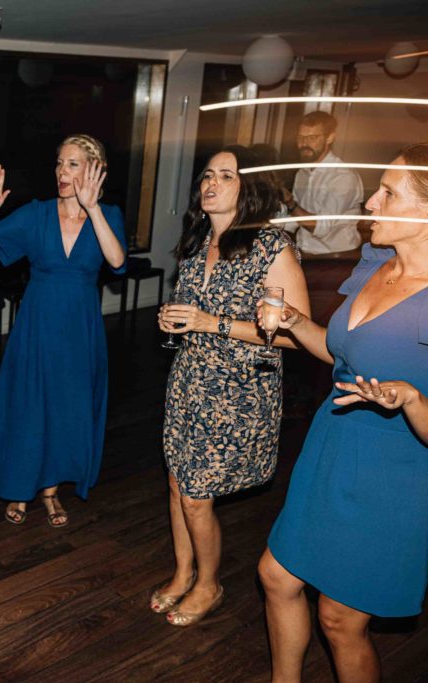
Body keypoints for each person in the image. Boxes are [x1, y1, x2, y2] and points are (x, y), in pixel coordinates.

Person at [259, 142, 428, 683]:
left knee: (339, 619)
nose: (371, 203)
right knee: (276, 576)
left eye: (387, 193)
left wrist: (413, 400)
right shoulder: (375, 261)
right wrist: (289, 319)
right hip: (330, 447)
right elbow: (341, 353)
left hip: (395, 472)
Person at [153, 146, 308, 626]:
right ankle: (183, 572)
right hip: (189, 381)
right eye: (207, 175)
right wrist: (175, 319)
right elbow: (191, 312)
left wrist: (208, 321)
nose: (210, 183)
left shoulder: (271, 247)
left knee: (198, 495)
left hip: (238, 393)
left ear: (251, 187)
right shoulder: (198, 240)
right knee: (179, 481)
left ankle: (209, 583)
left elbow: (296, 334)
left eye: (226, 175)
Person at [0, 135, 127, 527]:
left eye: (72, 164)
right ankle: (21, 488)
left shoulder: (109, 215)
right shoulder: (36, 214)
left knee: (66, 407)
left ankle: (51, 492)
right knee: (30, 404)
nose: (61, 172)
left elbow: (118, 261)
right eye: (59, 163)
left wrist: (93, 211)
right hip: (37, 325)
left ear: (93, 170)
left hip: (80, 329)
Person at [282, 111, 364, 255]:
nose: (304, 143)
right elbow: (293, 220)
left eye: (312, 137)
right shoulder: (303, 172)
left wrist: (290, 203)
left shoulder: (343, 176)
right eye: (300, 137)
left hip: (335, 258)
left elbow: (321, 227)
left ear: (330, 138)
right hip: (304, 252)